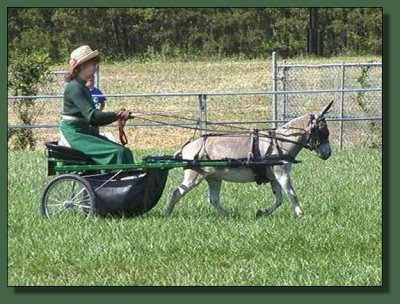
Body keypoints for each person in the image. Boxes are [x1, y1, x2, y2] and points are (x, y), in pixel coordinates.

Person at [60, 45, 134, 165]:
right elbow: (93, 117)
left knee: (125, 152)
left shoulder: (82, 86)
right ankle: (117, 182)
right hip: (75, 134)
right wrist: (117, 115)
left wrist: (117, 114)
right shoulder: (75, 87)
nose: (95, 68)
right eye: (93, 64)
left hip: (83, 132)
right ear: (81, 66)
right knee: (118, 152)